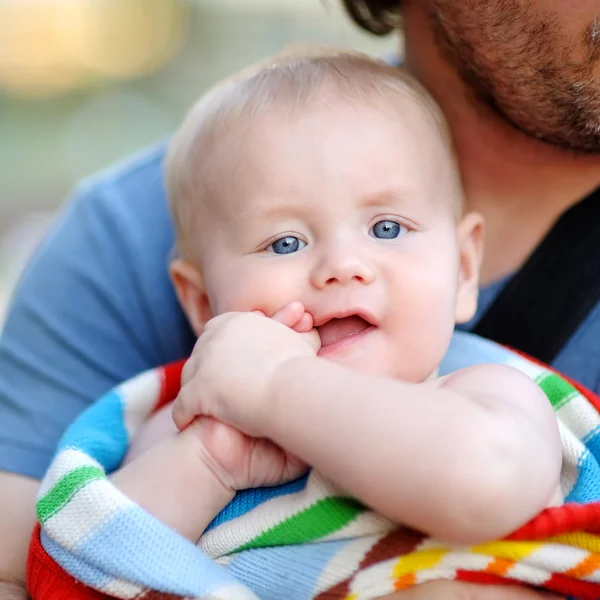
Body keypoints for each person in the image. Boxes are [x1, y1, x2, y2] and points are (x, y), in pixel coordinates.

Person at [3, 0, 600, 598]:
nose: (342, 267)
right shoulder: (192, 421)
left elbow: (486, 486)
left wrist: (277, 388)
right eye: (285, 242)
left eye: (387, 229)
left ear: (463, 268)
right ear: (204, 303)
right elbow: (76, 566)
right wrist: (210, 462)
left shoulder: (485, 392)